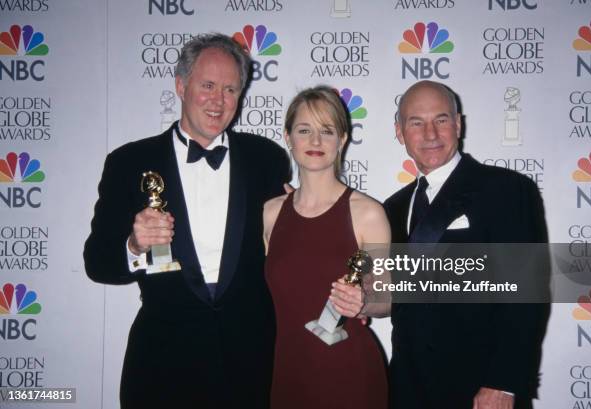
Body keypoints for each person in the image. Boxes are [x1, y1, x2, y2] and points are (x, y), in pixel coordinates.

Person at [83, 34, 290, 408]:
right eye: (207, 85)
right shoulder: (129, 162)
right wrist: (134, 245)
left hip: (248, 362)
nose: (219, 100)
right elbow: (97, 264)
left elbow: (286, 248)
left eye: (230, 89)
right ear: (180, 85)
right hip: (162, 363)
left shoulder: (267, 158)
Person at [382, 80, 549, 409]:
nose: (430, 134)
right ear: (400, 132)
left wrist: (502, 383)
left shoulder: (506, 190)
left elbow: (527, 294)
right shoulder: (392, 208)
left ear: (458, 124)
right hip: (407, 388)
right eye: (416, 122)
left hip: (480, 389)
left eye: (441, 120)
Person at [263, 86, 389, 409]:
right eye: (304, 130)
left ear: (342, 139)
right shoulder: (271, 212)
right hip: (287, 373)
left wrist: (363, 302)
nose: (316, 142)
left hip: (350, 374)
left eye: (327, 131)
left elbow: (386, 297)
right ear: (288, 137)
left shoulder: (368, 212)